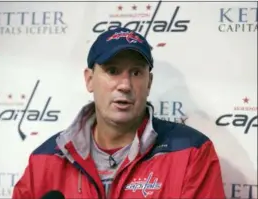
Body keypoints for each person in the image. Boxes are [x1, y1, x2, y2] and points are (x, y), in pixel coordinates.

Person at [12, 27, 226, 199]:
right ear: (89, 79)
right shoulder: (44, 160)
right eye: (112, 71)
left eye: (136, 72)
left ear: (149, 82)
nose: (125, 85)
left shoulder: (192, 153)